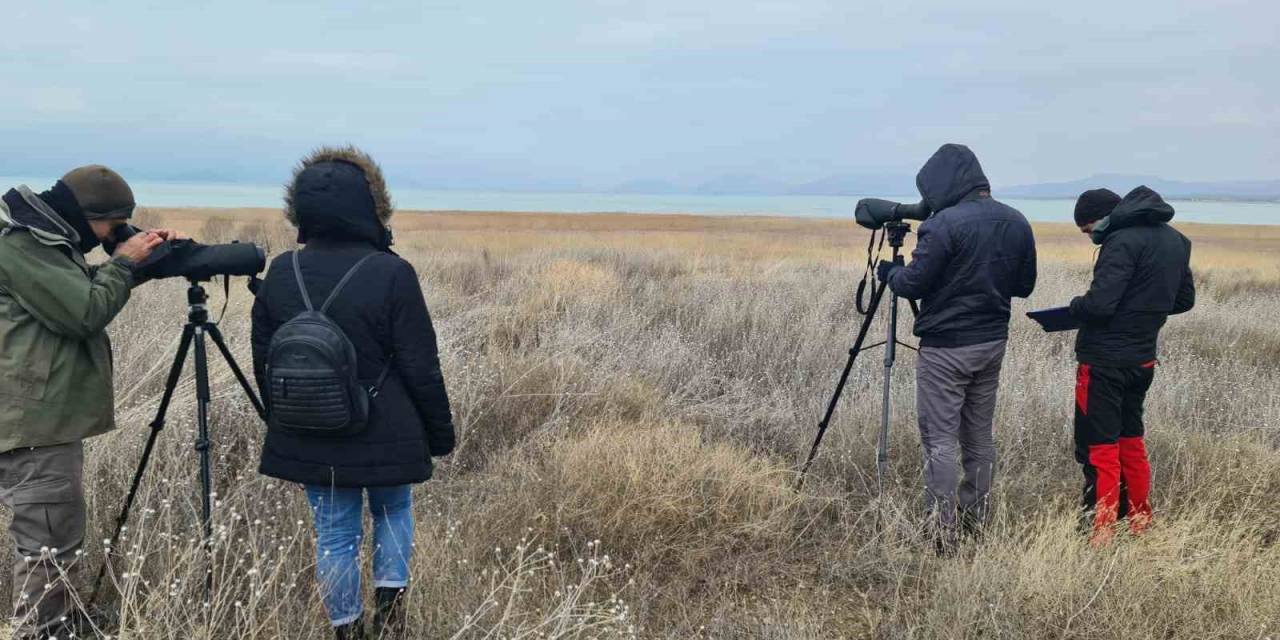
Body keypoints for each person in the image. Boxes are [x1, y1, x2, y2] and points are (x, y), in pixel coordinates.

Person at [251, 146, 455, 639]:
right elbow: (420, 365)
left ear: (300, 210)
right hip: (389, 427)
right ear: (372, 206)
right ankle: (391, 621)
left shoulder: (281, 271)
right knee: (393, 510)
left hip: (309, 426)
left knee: (335, 534)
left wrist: (286, 417)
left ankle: (347, 631)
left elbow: (264, 357)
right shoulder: (392, 272)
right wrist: (439, 433)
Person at [0, 166, 174, 638]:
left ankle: (57, 625)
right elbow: (83, 311)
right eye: (111, 224)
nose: (110, 235)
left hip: (39, 416)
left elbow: (73, 293)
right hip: (36, 423)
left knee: (55, 535)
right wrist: (122, 262)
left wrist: (133, 263)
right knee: (48, 543)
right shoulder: (23, 245)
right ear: (84, 215)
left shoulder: (43, 240)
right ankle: (43, 631)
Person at [877, 143, 1037, 554]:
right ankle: (975, 521)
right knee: (979, 437)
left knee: (940, 438)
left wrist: (893, 273)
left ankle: (940, 531)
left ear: (942, 183)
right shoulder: (1017, 220)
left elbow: (913, 284)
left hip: (947, 347)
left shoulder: (944, 225)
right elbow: (1024, 286)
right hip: (991, 343)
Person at [1068, 186, 1194, 545]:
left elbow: (1100, 305)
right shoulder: (1177, 240)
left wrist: (1075, 307)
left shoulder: (1120, 242)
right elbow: (1184, 300)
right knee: (1131, 441)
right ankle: (1139, 521)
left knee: (1100, 447)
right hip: (1143, 359)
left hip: (1104, 361)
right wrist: (1143, 311)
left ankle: (1100, 531)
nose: (1091, 237)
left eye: (1089, 229)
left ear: (1104, 217)